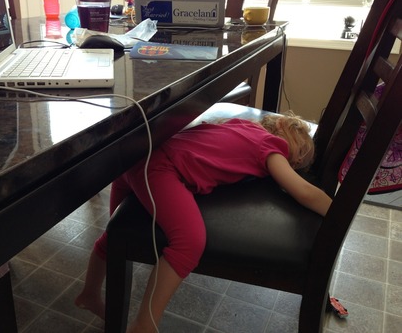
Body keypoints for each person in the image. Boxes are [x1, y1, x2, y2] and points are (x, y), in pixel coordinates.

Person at [75, 112, 332, 333]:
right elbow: (303, 192)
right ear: (284, 137)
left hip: (136, 158)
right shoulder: (272, 146)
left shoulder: (240, 125)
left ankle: (90, 293)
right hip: (159, 169)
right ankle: (145, 325)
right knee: (189, 241)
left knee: (113, 236)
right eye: (299, 156)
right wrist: (336, 212)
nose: (295, 163)